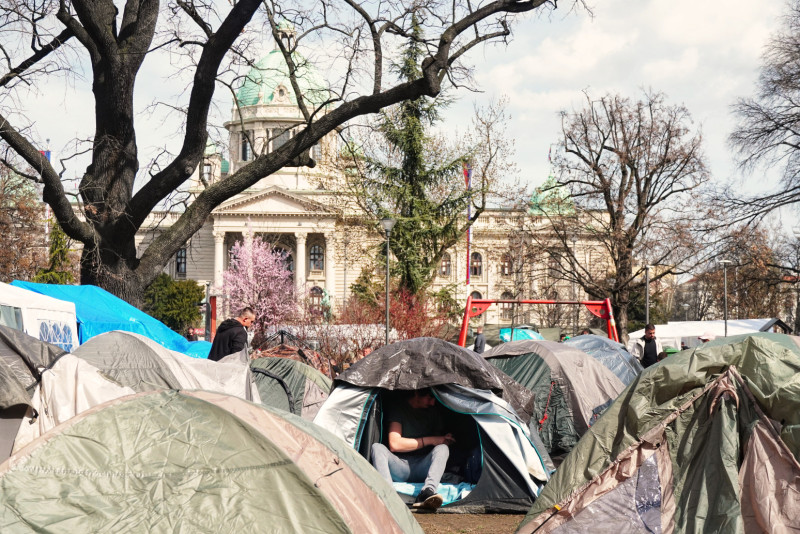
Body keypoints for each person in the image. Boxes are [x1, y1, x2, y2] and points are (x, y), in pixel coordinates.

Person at [371, 389, 455, 511]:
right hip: (399, 467)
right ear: (417, 393)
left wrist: (444, 440)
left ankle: (427, 492)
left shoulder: (433, 412)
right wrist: (431, 440)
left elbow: (437, 443)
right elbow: (395, 444)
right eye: (429, 398)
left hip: (423, 467)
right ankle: (389, 494)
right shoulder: (399, 409)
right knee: (377, 447)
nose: (432, 403)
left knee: (443, 449)